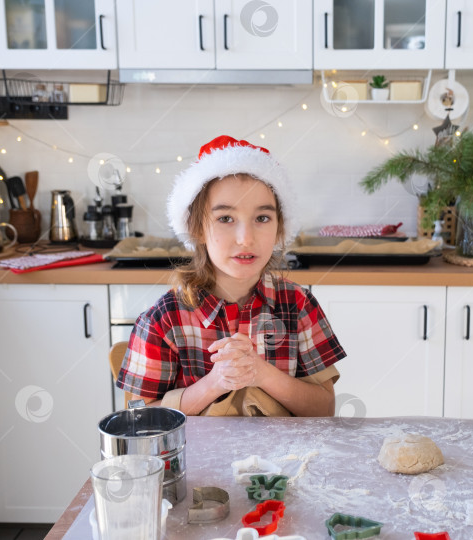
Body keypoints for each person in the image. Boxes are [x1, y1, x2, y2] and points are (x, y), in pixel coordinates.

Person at [116, 135, 346, 416]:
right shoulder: (163, 320)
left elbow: (324, 409)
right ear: (197, 229)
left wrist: (262, 374)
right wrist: (214, 383)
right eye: (225, 219)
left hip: (286, 460)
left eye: (262, 218)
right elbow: (139, 416)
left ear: (279, 228)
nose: (245, 239)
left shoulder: (299, 305)